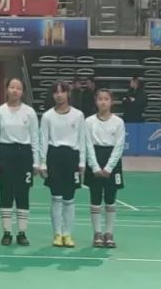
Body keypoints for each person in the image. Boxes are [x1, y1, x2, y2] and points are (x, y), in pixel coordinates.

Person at [0, 78, 40, 246]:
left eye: (18, 88)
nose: (15, 90)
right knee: (6, 193)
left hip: (24, 154)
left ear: (22, 92)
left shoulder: (30, 112)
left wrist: (36, 162)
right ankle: (7, 232)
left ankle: (22, 233)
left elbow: (35, 138)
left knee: (22, 194)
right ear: (6, 89)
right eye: (12, 87)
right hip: (5, 153)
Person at [40, 81, 88, 249]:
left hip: (72, 157)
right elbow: (43, 140)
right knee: (56, 197)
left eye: (62, 92)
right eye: (56, 92)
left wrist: (82, 161)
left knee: (69, 198)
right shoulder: (47, 116)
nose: (59, 95)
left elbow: (82, 139)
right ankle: (57, 234)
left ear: (68, 94)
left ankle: (67, 234)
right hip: (54, 157)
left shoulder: (78, 115)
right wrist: (43, 163)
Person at [85, 89, 126, 249]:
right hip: (95, 158)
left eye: (106, 99)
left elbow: (119, 146)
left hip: (112, 162)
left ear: (111, 102)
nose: (103, 102)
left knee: (110, 198)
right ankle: (97, 233)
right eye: (100, 99)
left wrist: (109, 167)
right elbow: (88, 145)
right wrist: (94, 166)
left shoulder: (118, 122)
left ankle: (109, 233)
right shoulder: (89, 122)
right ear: (96, 101)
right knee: (95, 198)